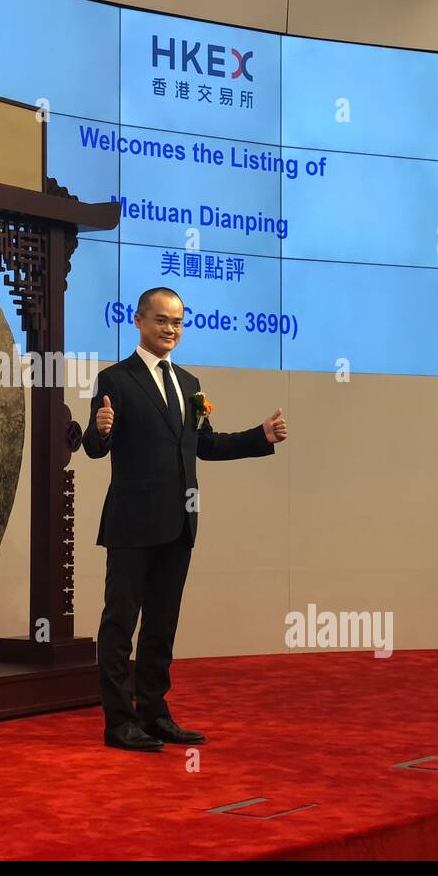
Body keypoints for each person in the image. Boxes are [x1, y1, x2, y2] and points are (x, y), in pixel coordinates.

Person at [82, 286, 288, 751]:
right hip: (132, 524)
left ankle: (154, 714)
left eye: (177, 322)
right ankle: (119, 723)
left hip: (179, 524)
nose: (170, 329)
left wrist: (261, 436)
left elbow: (205, 446)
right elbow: (96, 448)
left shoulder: (190, 384)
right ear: (138, 320)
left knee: (161, 624)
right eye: (161, 320)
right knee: (120, 624)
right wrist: (99, 432)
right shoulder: (114, 379)